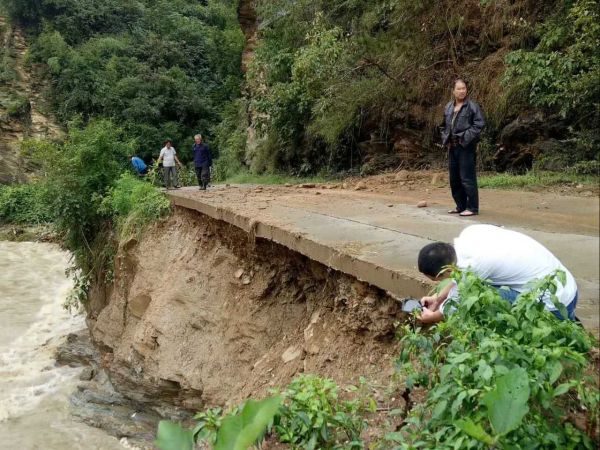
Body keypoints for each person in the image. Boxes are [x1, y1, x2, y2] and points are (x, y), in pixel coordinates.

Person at [417, 224, 578, 324]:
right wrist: (438, 299)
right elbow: (460, 279)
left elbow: (457, 302)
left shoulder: (476, 265)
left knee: (475, 299)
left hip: (556, 304)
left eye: (439, 279)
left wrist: (433, 316)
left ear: (447, 270)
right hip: (566, 286)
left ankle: (557, 322)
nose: (441, 282)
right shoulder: (469, 234)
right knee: (479, 287)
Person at [441, 79, 485, 217]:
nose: (462, 91)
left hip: (466, 147)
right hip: (452, 147)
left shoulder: (472, 106)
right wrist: (445, 139)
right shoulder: (448, 107)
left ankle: (472, 208)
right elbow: (443, 126)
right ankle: (460, 206)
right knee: (454, 179)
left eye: (464, 88)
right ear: (453, 91)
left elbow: (479, 124)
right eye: (459, 89)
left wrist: (464, 137)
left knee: (467, 177)